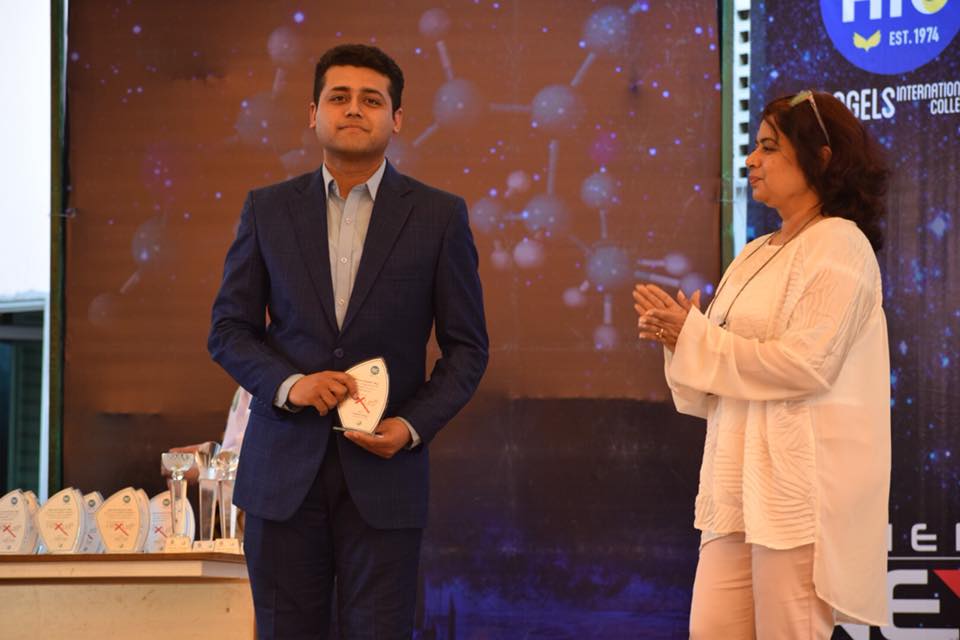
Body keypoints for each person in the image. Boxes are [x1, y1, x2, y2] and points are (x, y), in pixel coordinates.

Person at [208, 44, 488, 639]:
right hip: (281, 476)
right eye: (339, 97)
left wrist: (411, 426)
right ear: (314, 113)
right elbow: (228, 330)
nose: (354, 109)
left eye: (371, 100)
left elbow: (467, 349)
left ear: (397, 118)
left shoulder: (439, 216)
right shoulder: (267, 209)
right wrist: (291, 385)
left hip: (386, 476)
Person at [633, 90, 890, 638]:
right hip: (734, 492)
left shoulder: (840, 245)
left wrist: (699, 340)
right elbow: (714, 378)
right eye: (754, 147)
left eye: (769, 147)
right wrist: (680, 338)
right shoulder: (754, 252)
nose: (751, 160)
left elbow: (806, 365)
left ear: (821, 157)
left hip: (797, 498)